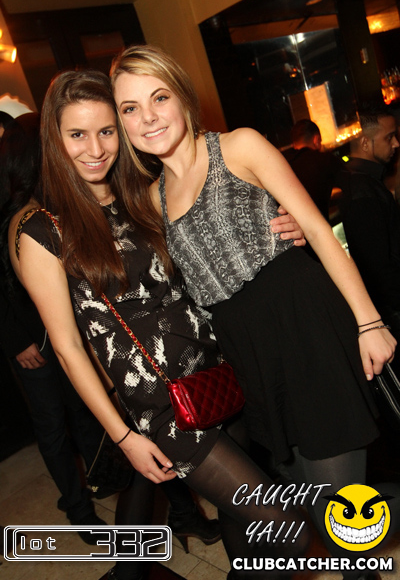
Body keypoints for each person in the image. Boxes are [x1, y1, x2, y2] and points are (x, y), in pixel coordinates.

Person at [110, 44, 396, 580]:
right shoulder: (149, 200)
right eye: (130, 108)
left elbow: (317, 230)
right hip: (246, 355)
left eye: (159, 97)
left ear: (183, 98)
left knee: (346, 513)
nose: (147, 117)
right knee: (307, 506)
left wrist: (369, 321)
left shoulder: (238, 146)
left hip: (304, 324)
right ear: (122, 124)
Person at [12, 69, 310, 580]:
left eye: (107, 131)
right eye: (77, 134)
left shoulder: (145, 196)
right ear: (54, 141)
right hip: (161, 404)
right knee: (291, 532)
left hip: (217, 370)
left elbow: (216, 246)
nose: (95, 149)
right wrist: (123, 437)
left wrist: (287, 225)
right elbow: (67, 348)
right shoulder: (43, 231)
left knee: (243, 526)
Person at [0, 112, 107, 541]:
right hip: (30, 336)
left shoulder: (49, 198)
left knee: (81, 409)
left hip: (64, 327)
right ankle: (78, 509)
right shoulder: (11, 209)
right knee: (51, 423)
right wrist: (16, 340)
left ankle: (101, 478)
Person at [338, 106, 400, 371]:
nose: (396, 143)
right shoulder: (362, 189)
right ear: (365, 142)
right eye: (389, 137)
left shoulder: (363, 181)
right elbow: (377, 266)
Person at [284, 119, 344, 221]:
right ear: (316, 140)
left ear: (294, 144)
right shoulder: (325, 160)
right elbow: (349, 185)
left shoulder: (284, 164)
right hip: (319, 224)